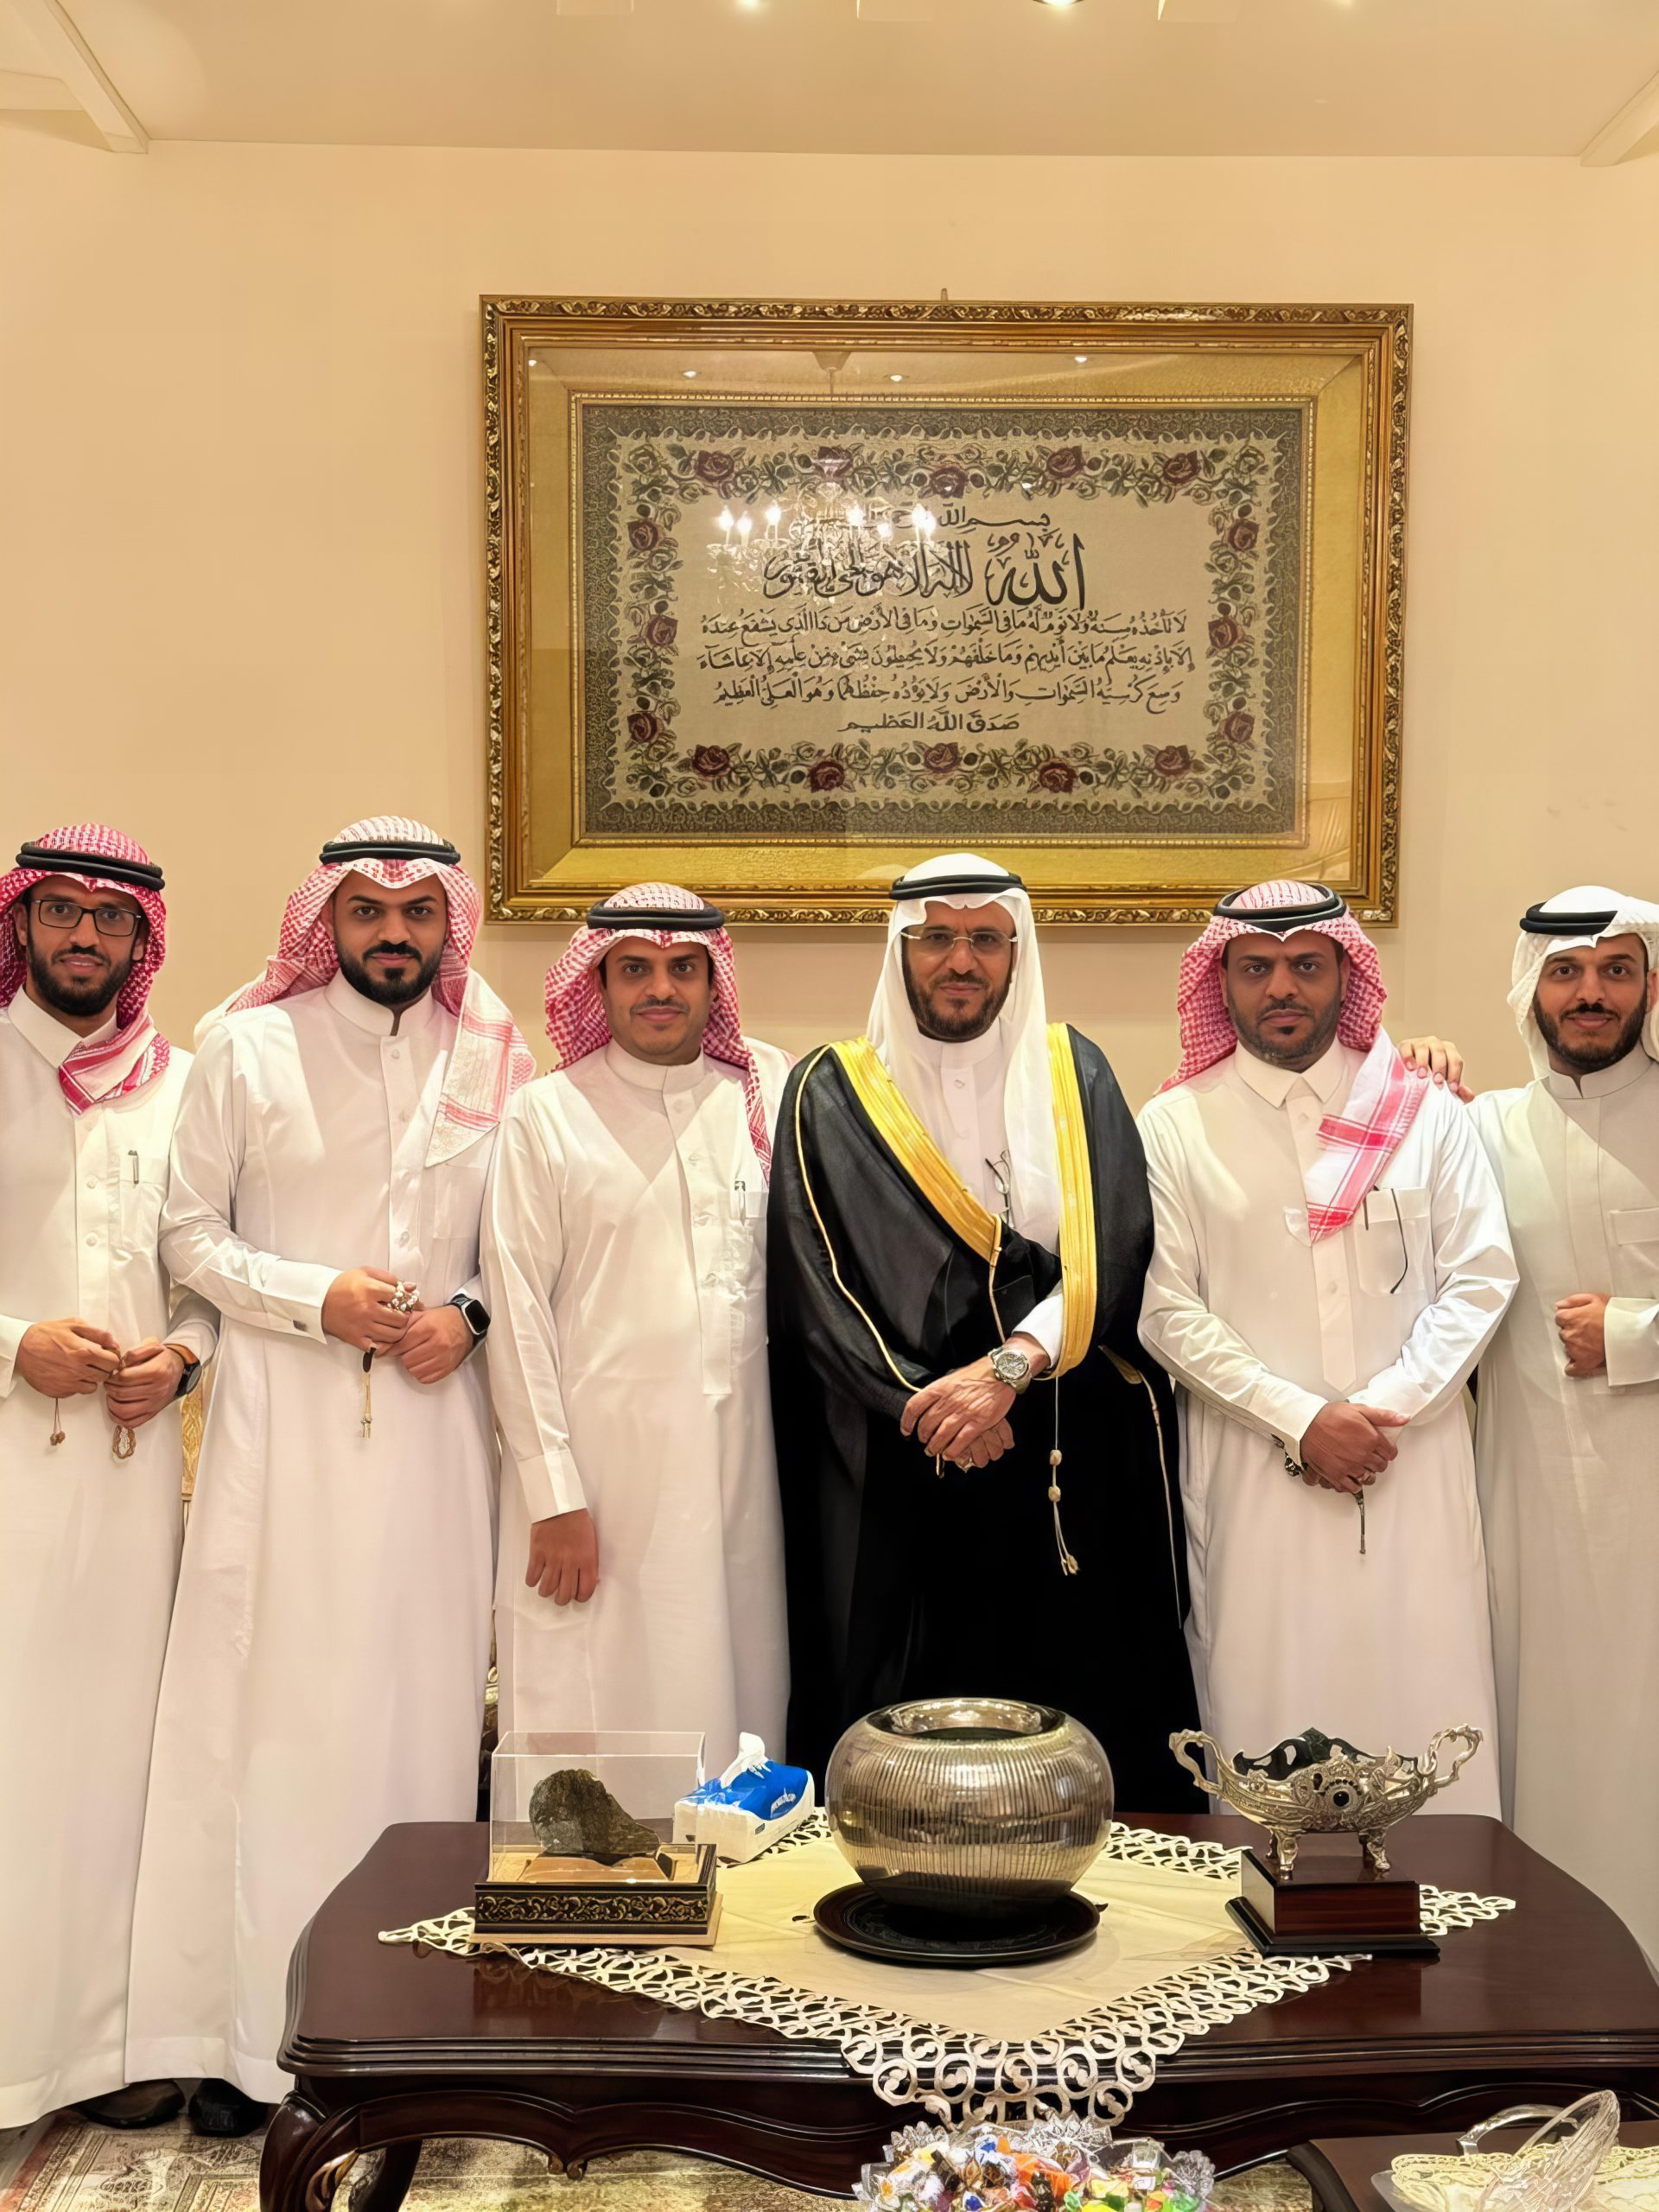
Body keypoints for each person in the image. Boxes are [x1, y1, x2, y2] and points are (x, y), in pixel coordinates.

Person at [125, 817, 531, 2132]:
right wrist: (317, 1299)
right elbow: (188, 1236)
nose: (393, 933)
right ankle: (254, 2036)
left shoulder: (497, 1054)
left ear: (447, 922)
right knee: (276, 1729)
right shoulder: (247, 1047)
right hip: (282, 1441)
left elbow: (522, 1243)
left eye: (416, 913)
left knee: (421, 1722)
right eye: (367, 910)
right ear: (329, 920)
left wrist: (468, 1313)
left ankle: (413, 2036)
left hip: (435, 1439)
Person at [768, 851, 1198, 1802]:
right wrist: (930, 1402)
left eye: (985, 940)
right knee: (907, 1728)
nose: (961, 961)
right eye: (937, 938)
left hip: (1059, 1442)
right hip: (900, 1451)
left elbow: (1119, 1244)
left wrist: (1006, 1370)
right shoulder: (830, 1087)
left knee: (1075, 1706)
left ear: (1016, 951)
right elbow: (812, 1284)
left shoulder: (1074, 1069)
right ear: (900, 948)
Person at [1136, 880, 1515, 1801]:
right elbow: (1166, 1309)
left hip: (1410, 1465)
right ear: (1220, 980)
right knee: (1265, 1713)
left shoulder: (1426, 1111)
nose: (1282, 987)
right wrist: (1303, 1420)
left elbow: (1481, 1277)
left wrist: (1379, 1414)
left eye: (1307, 964)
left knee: (1427, 1704)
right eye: (1256, 967)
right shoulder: (1175, 1126)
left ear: (1347, 974)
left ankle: (1444, 1891)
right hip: (1254, 1474)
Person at [0, 826, 216, 2132]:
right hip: (7, 1480)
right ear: (22, 922)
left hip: (133, 1493)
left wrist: (182, 1359)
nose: (85, 936)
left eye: (111, 918)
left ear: (142, 939)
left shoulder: (180, 1085)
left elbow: (205, 1274)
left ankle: (105, 2046)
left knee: (127, 1760)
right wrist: (11, 1345)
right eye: (63, 912)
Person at [480, 882, 790, 1770]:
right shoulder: (547, 1113)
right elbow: (517, 1313)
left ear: (713, 981)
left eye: (684, 968)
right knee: (599, 1713)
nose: (661, 988)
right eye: (636, 970)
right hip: (599, 1480)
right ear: (600, 983)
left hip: (746, 1470)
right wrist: (553, 1495)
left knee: (742, 1692)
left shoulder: (764, 1094)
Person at [1465, 888, 1659, 1960]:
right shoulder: (1480, 1128)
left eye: (1616, 970)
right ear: (1529, 988)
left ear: (1650, 986)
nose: (1592, 994)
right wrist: (1412, 1067)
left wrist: (1634, 1332)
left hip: (1650, 1505)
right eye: (1567, 972)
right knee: (1540, 1735)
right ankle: (1548, 1986)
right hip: (1526, 1500)